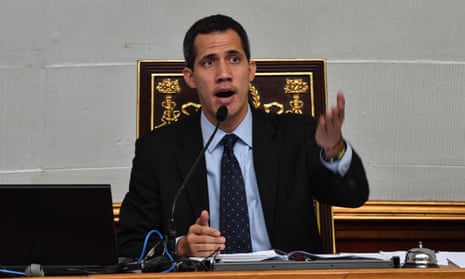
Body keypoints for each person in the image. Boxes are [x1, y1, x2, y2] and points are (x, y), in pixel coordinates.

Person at [118, 14, 369, 258]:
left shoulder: (297, 135)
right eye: (209, 62)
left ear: (250, 71)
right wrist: (180, 247)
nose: (223, 73)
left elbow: (354, 196)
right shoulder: (157, 151)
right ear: (190, 77)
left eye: (234, 59)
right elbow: (131, 245)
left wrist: (335, 149)